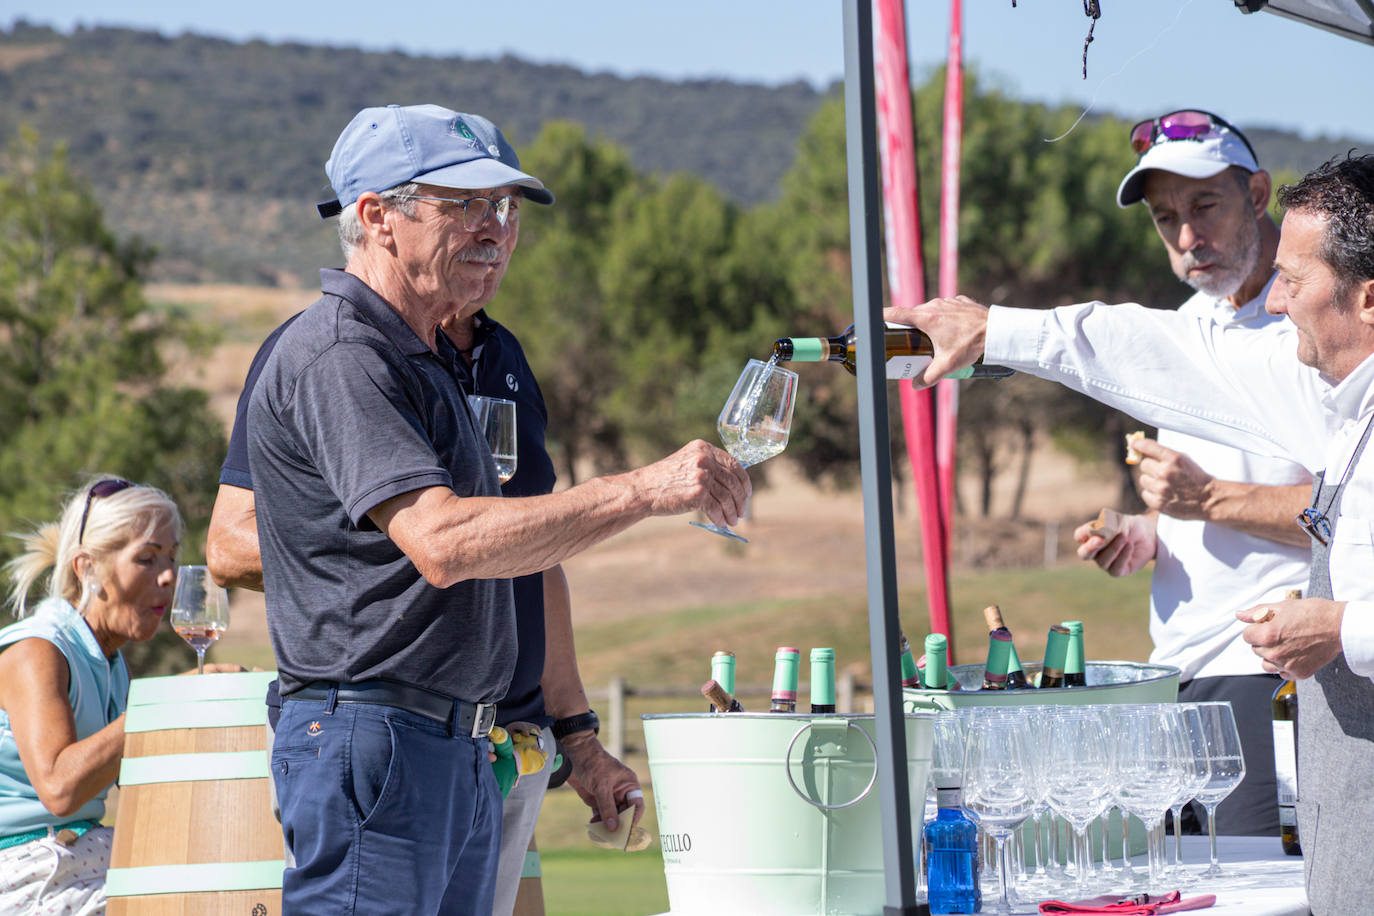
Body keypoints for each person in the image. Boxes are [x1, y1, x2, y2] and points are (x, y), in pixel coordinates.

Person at [245, 103, 750, 915]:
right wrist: (643, 490)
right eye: (464, 204)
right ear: (376, 217)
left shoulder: (430, 359)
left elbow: (525, 550)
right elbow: (444, 542)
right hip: (377, 738)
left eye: (505, 208)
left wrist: (574, 732)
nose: (495, 229)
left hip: (453, 743)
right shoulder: (344, 354)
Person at [890, 153, 1374, 916]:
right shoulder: (1338, 396)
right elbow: (1165, 353)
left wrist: (1343, 625)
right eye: (1164, 216)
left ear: (1369, 299)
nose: (1277, 305)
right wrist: (996, 330)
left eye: (1296, 280)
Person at [1071, 110, 1310, 836]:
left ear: (1260, 192)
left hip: (1272, 675)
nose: (1185, 237)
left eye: (1205, 205)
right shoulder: (1187, 327)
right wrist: (1145, 534)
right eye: (1165, 217)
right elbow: (1213, 512)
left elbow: (1347, 514)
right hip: (1174, 681)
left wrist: (1203, 499)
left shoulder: (1317, 322)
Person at [0, 479, 200, 912]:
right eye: (147, 559)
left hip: (80, 858)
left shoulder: (109, 663)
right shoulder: (38, 652)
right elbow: (59, 790)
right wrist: (161, 707)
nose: (169, 576)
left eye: (172, 557)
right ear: (86, 568)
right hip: (25, 872)